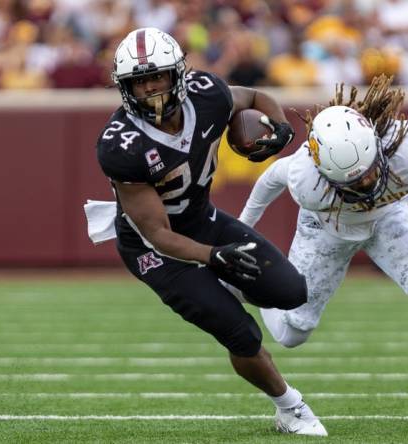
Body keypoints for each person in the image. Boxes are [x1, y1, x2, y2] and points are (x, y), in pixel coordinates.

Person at [86, 27, 327, 436]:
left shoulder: (207, 93)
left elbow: (251, 98)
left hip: (201, 219)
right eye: (138, 82)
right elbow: (159, 234)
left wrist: (281, 126)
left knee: (292, 292)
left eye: (156, 77)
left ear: (178, 74)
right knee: (240, 332)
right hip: (153, 248)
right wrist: (214, 258)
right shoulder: (120, 145)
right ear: (124, 88)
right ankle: (290, 407)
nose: (149, 90)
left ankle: (227, 284)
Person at [238, 75, 408, 425]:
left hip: (388, 221)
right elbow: (271, 178)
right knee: (291, 335)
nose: (365, 183)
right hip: (326, 232)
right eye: (352, 180)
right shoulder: (306, 177)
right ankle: (254, 290)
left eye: (367, 171)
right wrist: (240, 230)